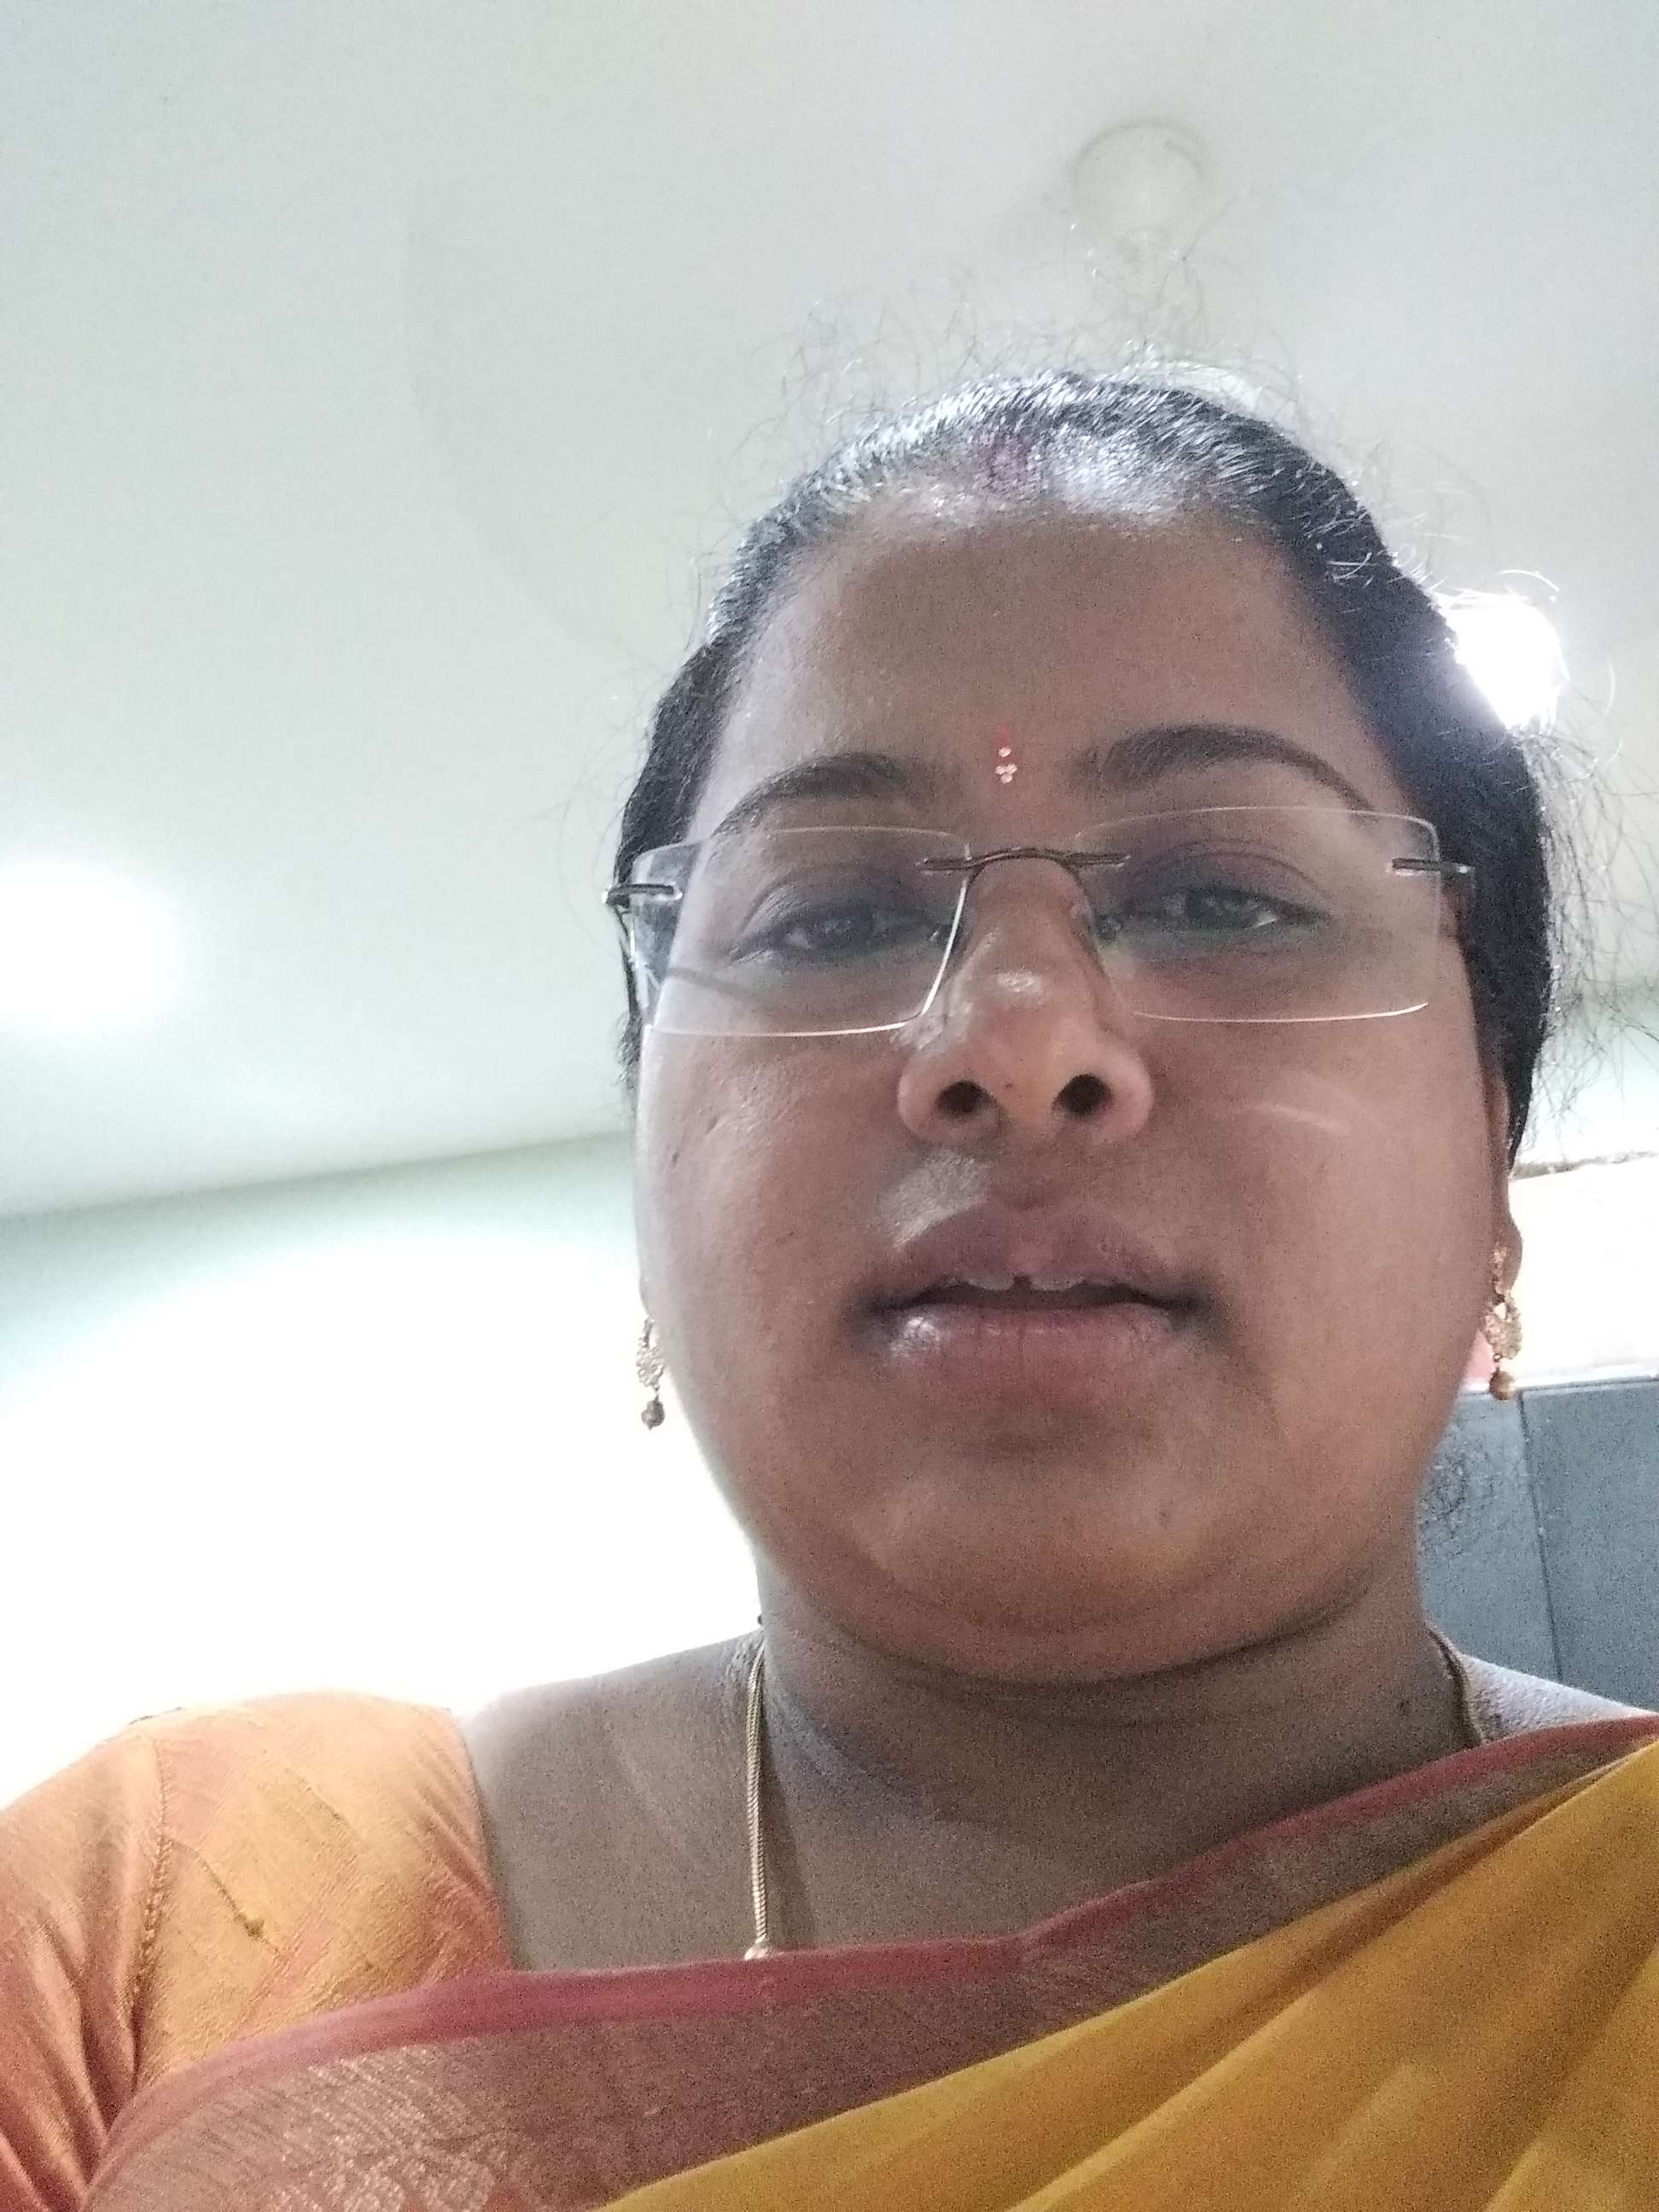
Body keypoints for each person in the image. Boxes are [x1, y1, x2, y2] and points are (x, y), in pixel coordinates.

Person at [3, 373, 1656, 2212]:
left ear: (1493, 1166)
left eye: (1223, 896)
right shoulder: (158, 1930)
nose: (1015, 1040)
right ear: (652, 1184)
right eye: (833, 915)